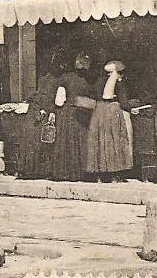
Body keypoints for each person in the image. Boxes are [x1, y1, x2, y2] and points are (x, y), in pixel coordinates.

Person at [17, 52, 64, 180]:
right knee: (39, 140)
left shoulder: (45, 78)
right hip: (41, 111)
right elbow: (46, 97)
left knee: (32, 141)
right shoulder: (54, 80)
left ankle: (28, 169)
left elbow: (39, 95)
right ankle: (36, 170)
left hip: (35, 110)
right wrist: (44, 111)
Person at [85, 59, 133, 181]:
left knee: (100, 140)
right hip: (112, 112)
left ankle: (100, 173)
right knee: (114, 140)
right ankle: (115, 173)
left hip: (99, 112)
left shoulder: (98, 81)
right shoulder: (118, 82)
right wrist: (130, 108)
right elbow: (123, 101)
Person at [51, 53, 92, 182]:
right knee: (80, 144)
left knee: (66, 143)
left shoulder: (65, 78)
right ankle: (80, 173)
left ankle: (64, 173)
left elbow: (59, 101)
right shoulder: (87, 81)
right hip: (82, 115)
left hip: (68, 114)